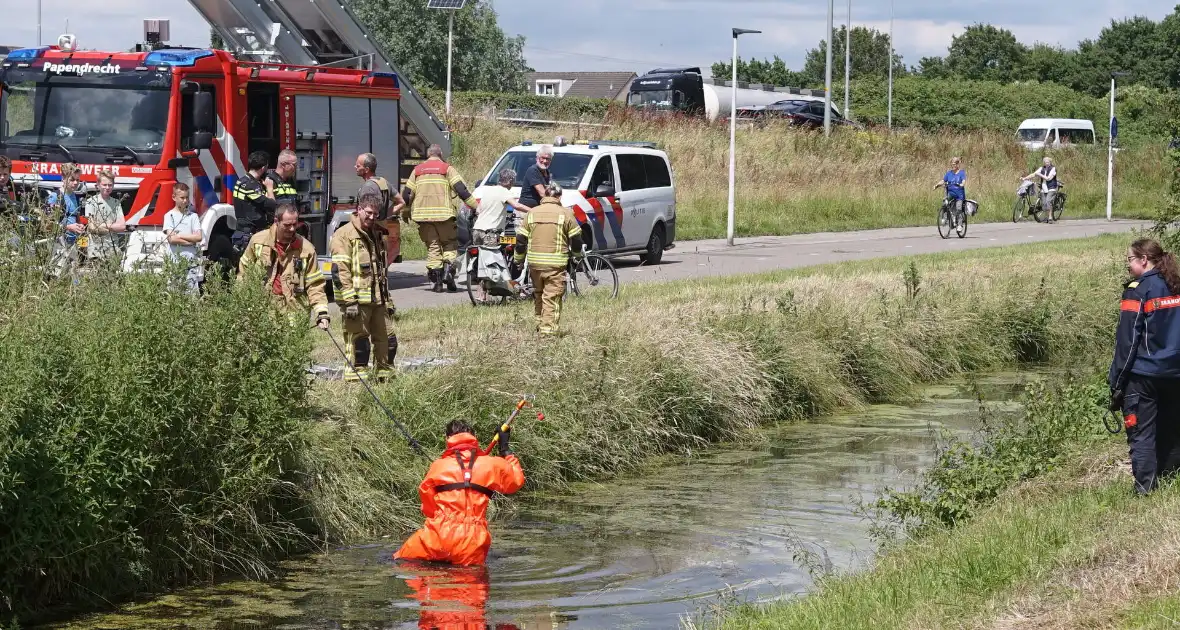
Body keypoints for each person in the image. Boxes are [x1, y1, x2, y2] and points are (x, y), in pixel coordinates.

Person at [394, 419, 525, 566]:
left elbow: (428, 507)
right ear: (474, 438)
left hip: (437, 535)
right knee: (471, 583)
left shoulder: (438, 466)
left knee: (399, 560)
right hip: (473, 542)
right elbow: (516, 481)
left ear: (447, 439)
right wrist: (505, 448)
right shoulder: (492, 464)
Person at [1110, 238, 1180, 495]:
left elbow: (1127, 343)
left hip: (1144, 375)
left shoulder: (1137, 290)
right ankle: (1171, 481)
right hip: (1175, 373)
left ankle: (1145, 490)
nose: (1128, 266)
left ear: (1143, 260)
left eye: (1129, 260)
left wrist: (1116, 382)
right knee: (1172, 430)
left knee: (1141, 432)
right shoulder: (1176, 285)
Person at [330, 194, 397, 382]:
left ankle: (385, 380)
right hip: (357, 303)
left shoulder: (377, 234)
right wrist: (350, 301)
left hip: (378, 301)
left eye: (376, 214)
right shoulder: (344, 235)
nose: (372, 217)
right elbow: (340, 271)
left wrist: (388, 299)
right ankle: (356, 384)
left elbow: (381, 272)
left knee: (389, 342)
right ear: (359, 210)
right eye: (368, 213)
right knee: (359, 345)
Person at [238, 204, 330, 330]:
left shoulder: (306, 249)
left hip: (294, 315)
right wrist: (241, 305)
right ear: (276, 221)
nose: (292, 229)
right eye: (287, 225)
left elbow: (315, 284)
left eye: (295, 224)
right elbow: (243, 274)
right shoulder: (258, 241)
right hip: (263, 311)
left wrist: (322, 313)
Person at [400, 144, 476, 293]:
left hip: (423, 217)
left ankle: (438, 283)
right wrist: (475, 206)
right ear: (440, 155)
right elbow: (461, 190)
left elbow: (407, 194)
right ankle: (448, 270)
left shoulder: (417, 170)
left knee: (433, 248)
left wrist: (406, 212)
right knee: (449, 245)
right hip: (444, 216)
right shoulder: (447, 168)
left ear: (428, 155)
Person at [513, 182, 583, 335]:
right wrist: (577, 256)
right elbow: (576, 239)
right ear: (559, 196)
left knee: (538, 294)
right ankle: (547, 333)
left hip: (535, 265)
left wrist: (518, 259)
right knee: (552, 297)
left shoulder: (532, 213)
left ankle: (539, 324)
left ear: (544, 195)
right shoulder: (565, 213)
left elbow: (520, 240)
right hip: (555, 265)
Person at [355, 152, 403, 268]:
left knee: (370, 265)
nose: (355, 167)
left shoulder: (368, 187)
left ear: (366, 169)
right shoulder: (383, 182)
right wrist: (386, 214)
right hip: (382, 230)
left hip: (371, 232)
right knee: (380, 265)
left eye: (358, 165)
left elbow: (366, 213)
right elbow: (401, 202)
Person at [471, 168, 531, 248]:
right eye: (513, 182)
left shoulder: (488, 190)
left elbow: (478, 210)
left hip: (477, 230)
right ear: (510, 181)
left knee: (480, 257)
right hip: (490, 233)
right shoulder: (504, 191)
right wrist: (533, 210)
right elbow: (516, 206)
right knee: (491, 258)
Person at [231, 151, 279, 250]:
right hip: (250, 235)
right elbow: (272, 205)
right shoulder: (251, 185)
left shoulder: (241, 181)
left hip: (241, 232)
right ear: (263, 168)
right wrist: (269, 188)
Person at [45, 164, 86, 279]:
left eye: (77, 180)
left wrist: (81, 231)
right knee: (54, 277)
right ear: (63, 178)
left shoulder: (74, 196)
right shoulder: (55, 197)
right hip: (58, 244)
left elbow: (76, 218)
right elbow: (48, 224)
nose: (75, 183)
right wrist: (68, 227)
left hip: (72, 244)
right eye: (72, 179)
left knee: (74, 278)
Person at [162, 183, 204, 295]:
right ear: (174, 197)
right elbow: (171, 239)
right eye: (182, 198)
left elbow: (198, 237)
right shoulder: (169, 216)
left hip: (191, 261)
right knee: (174, 292)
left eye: (187, 197)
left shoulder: (193, 216)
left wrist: (179, 235)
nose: (185, 201)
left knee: (191, 292)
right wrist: (191, 241)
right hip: (174, 261)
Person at [82, 170, 127, 269]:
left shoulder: (116, 203)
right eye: (104, 184)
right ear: (98, 185)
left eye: (110, 185)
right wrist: (112, 226)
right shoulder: (91, 202)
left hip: (112, 248)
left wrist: (103, 225)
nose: (107, 187)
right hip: (96, 249)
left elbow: (122, 226)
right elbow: (92, 227)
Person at [933, 157, 967, 230]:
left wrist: (961, 184)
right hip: (951, 194)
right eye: (952, 164)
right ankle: (945, 218)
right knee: (945, 203)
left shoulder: (961, 173)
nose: (953, 166)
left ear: (958, 165)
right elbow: (943, 181)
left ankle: (960, 225)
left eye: (954, 164)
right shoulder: (949, 173)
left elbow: (963, 181)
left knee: (958, 208)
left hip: (959, 196)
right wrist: (937, 185)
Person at [1023, 156, 1060, 223]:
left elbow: (1049, 178)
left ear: (1050, 162)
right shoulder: (1041, 168)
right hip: (1044, 187)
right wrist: (1025, 178)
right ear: (1043, 163)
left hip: (1051, 187)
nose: (1047, 163)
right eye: (1045, 162)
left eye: (1048, 162)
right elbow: (1033, 174)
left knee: (1048, 201)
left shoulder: (1053, 169)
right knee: (1043, 204)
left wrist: (1040, 175)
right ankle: (1046, 216)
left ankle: (1050, 217)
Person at [518, 145, 553, 209]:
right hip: (527, 210)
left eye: (547, 159)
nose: (545, 161)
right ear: (537, 158)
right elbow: (542, 193)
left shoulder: (547, 172)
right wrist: (555, 205)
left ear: (550, 160)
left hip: (538, 209)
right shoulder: (533, 170)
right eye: (542, 158)